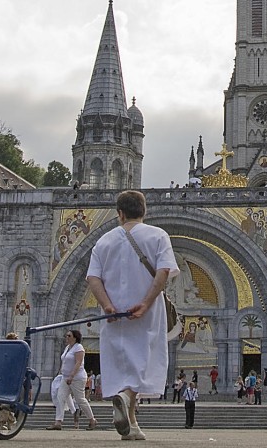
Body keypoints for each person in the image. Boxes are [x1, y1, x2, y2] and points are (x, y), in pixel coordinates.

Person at [87, 189, 179, 441]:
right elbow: (163, 271)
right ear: (144, 211)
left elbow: (92, 277)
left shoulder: (103, 241)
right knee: (144, 359)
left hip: (113, 313)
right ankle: (127, 396)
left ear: (119, 214)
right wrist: (146, 303)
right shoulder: (158, 235)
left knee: (122, 362)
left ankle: (132, 423)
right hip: (146, 310)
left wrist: (106, 305)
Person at [46, 330, 97, 431]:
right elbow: (64, 362)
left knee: (80, 400)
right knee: (60, 397)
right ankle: (58, 422)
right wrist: (61, 373)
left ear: (75, 337)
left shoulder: (79, 348)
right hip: (65, 377)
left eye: (69, 336)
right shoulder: (67, 348)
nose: (67, 337)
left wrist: (72, 376)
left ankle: (92, 420)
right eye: (66, 335)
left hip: (77, 378)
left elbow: (78, 363)